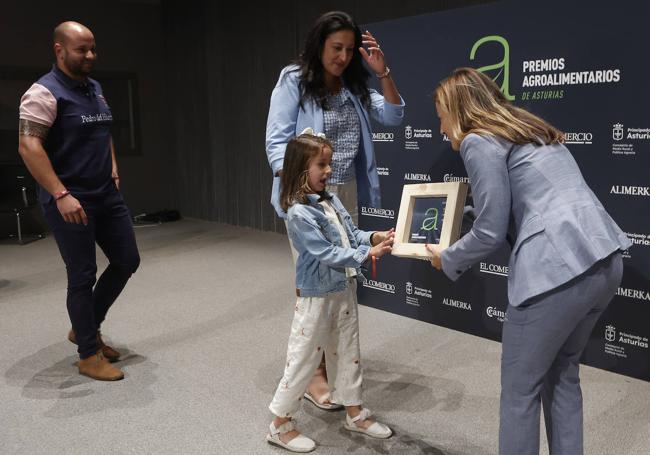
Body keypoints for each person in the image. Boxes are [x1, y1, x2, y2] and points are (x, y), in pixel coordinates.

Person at [426, 67, 631, 455]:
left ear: (459, 109)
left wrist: (448, 258)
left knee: (520, 392)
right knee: (563, 375)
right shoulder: (530, 129)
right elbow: (522, 204)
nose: (440, 128)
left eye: (441, 116)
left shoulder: (478, 140)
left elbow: (489, 232)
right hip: (604, 259)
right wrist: (459, 217)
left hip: (556, 273)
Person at [265, 9, 404, 411]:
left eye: (348, 49)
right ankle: (314, 374)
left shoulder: (355, 86)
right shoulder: (294, 80)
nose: (341, 56)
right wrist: (296, 185)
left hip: (343, 192)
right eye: (335, 48)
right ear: (319, 46)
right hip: (306, 193)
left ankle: (332, 367)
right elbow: (277, 141)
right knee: (314, 282)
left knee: (340, 281)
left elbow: (394, 116)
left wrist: (383, 73)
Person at [18, 21, 140, 381]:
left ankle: (84, 326)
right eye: (81, 50)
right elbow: (29, 146)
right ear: (59, 50)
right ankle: (88, 353)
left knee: (127, 260)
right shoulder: (42, 93)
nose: (90, 56)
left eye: (92, 49)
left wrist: (113, 165)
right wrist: (61, 194)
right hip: (70, 199)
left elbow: (102, 131)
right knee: (82, 275)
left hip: (105, 193)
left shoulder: (94, 88)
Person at [266, 133, 395, 452]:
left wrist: (375, 237)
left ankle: (354, 412)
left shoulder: (332, 199)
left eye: (329, 163)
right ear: (300, 169)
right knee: (304, 357)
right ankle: (280, 424)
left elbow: (351, 235)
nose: (328, 170)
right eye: (321, 164)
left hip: (344, 289)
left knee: (348, 352)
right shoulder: (298, 213)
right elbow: (325, 251)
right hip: (316, 297)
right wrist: (367, 255)